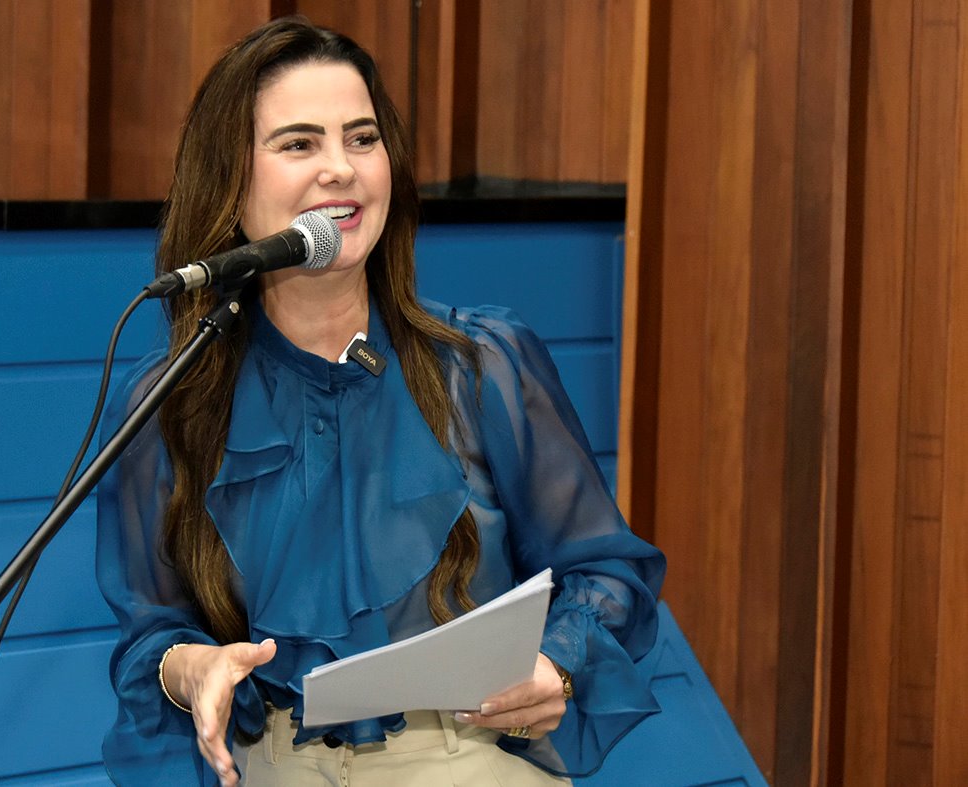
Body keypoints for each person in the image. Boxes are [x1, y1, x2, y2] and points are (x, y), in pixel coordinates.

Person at [96, 16, 665, 787]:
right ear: (228, 181)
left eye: (361, 139)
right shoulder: (169, 398)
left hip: (466, 755)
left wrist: (555, 663)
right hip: (268, 765)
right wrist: (190, 668)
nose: (341, 169)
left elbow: (604, 569)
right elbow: (150, 627)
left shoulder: (482, 365)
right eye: (299, 144)